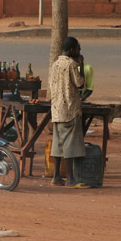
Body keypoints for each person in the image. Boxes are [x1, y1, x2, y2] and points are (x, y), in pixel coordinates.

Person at [49, 36, 89, 188]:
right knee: (70, 145)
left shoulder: (55, 64)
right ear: (72, 49)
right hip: (70, 109)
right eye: (78, 49)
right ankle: (71, 179)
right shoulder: (72, 64)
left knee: (58, 143)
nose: (79, 51)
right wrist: (82, 65)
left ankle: (56, 176)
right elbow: (80, 83)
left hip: (57, 109)